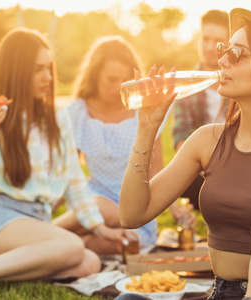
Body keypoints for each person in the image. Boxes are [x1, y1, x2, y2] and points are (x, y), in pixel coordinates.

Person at [117, 8, 251, 300]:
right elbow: (131, 213)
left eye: (237, 53)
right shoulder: (206, 140)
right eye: (224, 50)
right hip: (222, 292)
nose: (222, 60)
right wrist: (147, 129)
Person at [0, 28, 124, 296]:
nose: (48, 77)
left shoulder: (57, 119)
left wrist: (98, 227)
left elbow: (73, 178)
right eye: (37, 69)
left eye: (49, 68)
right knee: (73, 247)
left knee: (89, 263)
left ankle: (7, 267)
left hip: (38, 221)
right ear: (16, 72)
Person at [53, 36, 188, 253]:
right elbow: (69, 173)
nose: (118, 87)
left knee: (120, 244)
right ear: (94, 76)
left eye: (124, 81)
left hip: (134, 213)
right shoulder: (77, 114)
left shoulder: (144, 112)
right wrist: (47, 207)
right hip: (90, 207)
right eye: (111, 79)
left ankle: (46, 239)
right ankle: (43, 236)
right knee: (96, 209)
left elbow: (156, 171)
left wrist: (176, 210)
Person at [171, 10, 229, 211]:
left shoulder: (241, 81)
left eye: (218, 41)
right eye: (205, 39)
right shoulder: (186, 86)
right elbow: (180, 136)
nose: (209, 47)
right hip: (200, 167)